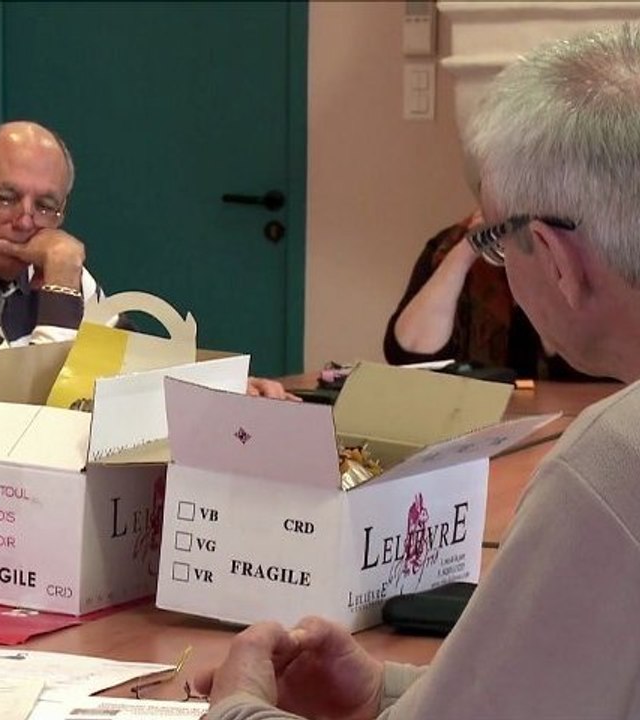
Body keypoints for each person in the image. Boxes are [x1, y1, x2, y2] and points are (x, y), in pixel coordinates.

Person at [198, 24, 640, 719]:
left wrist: (239, 704)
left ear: (555, 259)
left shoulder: (615, 461)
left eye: (496, 240)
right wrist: (387, 692)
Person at [0, 121, 293, 406]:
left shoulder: (50, 264)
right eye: (6, 197)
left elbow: (128, 368)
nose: (26, 220)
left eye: (46, 205)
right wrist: (62, 279)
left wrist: (220, 392)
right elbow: (31, 412)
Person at [383, 209, 592, 379]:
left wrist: (543, 265)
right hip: (471, 414)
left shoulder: (584, 247)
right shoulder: (447, 245)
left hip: (570, 417)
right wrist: (467, 251)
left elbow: (583, 365)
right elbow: (411, 355)